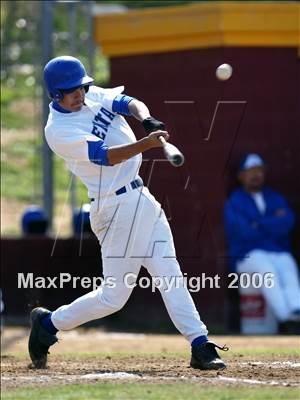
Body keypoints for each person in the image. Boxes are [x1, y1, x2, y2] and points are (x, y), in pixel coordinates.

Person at [28, 56, 227, 369]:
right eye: (72, 91)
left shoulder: (88, 93)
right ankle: (49, 324)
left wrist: (147, 119)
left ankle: (200, 344)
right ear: (56, 95)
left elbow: (126, 102)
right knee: (113, 298)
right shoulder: (58, 131)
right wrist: (147, 144)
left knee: (170, 275)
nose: (80, 94)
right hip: (113, 207)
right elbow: (106, 157)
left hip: (141, 198)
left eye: (81, 87)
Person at [224, 153, 300, 325]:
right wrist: (273, 223)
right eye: (251, 171)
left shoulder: (274, 197)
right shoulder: (235, 202)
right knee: (266, 269)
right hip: (247, 256)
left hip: (276, 251)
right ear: (241, 176)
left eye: (259, 170)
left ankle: (297, 309)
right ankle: (286, 317)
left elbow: (288, 222)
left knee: (287, 263)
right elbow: (244, 233)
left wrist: (258, 223)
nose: (256, 174)